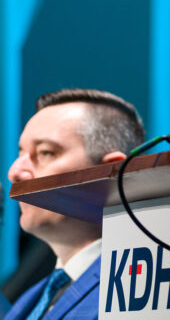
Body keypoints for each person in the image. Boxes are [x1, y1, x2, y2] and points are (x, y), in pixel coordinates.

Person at [5, 89, 145, 320]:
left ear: (111, 172)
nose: (14, 172)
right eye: (21, 153)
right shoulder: (29, 300)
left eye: (45, 152)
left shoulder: (139, 292)